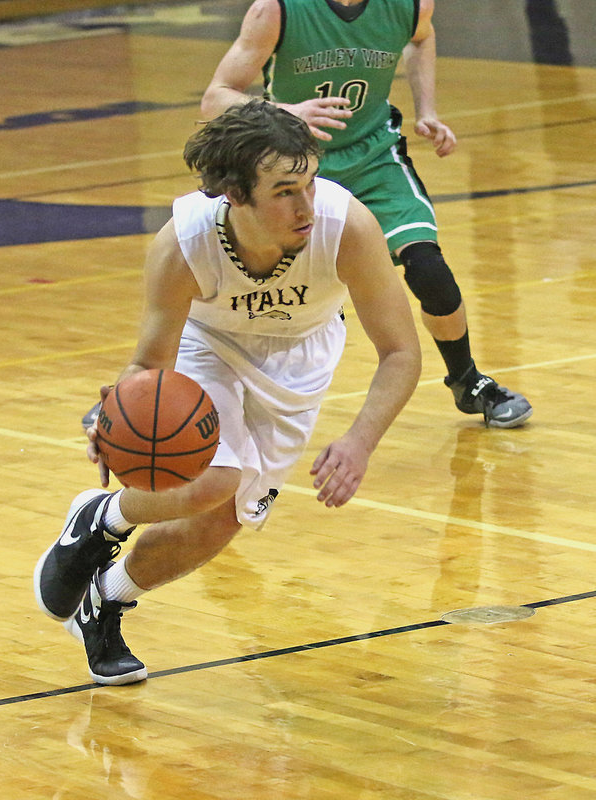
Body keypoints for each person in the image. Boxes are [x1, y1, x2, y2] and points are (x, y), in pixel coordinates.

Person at [35, 100, 421, 685]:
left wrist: (359, 442)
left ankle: (104, 601)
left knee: (223, 521)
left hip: (300, 358)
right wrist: (115, 417)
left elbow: (401, 352)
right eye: (285, 190)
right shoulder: (184, 243)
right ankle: (105, 519)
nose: (307, 204)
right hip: (206, 345)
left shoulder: (346, 228)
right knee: (214, 480)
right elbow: (149, 363)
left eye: (310, 182)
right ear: (235, 195)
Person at [199, 0, 532, 428]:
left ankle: (468, 382)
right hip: (295, 165)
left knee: (430, 272)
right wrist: (289, 112)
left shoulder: (409, 5)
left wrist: (427, 109)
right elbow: (215, 99)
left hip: (375, 156)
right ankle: (158, 383)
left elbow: (422, 37)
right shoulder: (276, 10)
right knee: (241, 282)